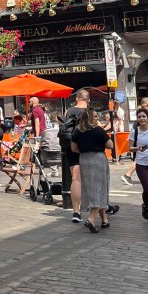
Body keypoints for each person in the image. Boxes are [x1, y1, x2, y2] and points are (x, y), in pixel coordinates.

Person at [71, 109, 113, 233]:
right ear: (89, 118)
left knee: (92, 189)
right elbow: (110, 145)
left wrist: (85, 150)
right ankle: (91, 219)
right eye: (95, 116)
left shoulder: (77, 131)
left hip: (84, 159)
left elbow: (73, 148)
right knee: (100, 189)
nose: (97, 118)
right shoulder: (99, 130)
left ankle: (104, 220)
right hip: (98, 159)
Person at [59, 88, 89, 223]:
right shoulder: (89, 112)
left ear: (77, 99)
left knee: (76, 178)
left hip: (71, 147)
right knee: (92, 179)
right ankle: (99, 207)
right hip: (87, 148)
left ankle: (76, 212)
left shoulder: (68, 111)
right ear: (88, 100)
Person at [121, 96, 148, 185]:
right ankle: (127, 175)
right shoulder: (143, 116)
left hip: (147, 141)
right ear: (146, 105)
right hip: (142, 141)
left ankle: (128, 175)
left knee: (142, 158)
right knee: (140, 159)